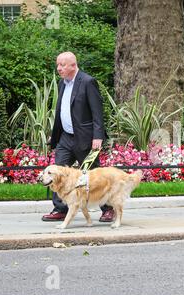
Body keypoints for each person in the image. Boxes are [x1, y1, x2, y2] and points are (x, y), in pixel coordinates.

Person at [42, 52, 115, 222]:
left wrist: (98, 136)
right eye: (58, 65)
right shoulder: (62, 83)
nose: (59, 68)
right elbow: (62, 110)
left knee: (95, 175)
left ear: (73, 65)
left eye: (62, 65)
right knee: (56, 171)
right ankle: (60, 208)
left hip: (85, 138)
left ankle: (108, 208)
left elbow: (97, 112)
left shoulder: (88, 82)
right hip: (66, 138)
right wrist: (55, 136)